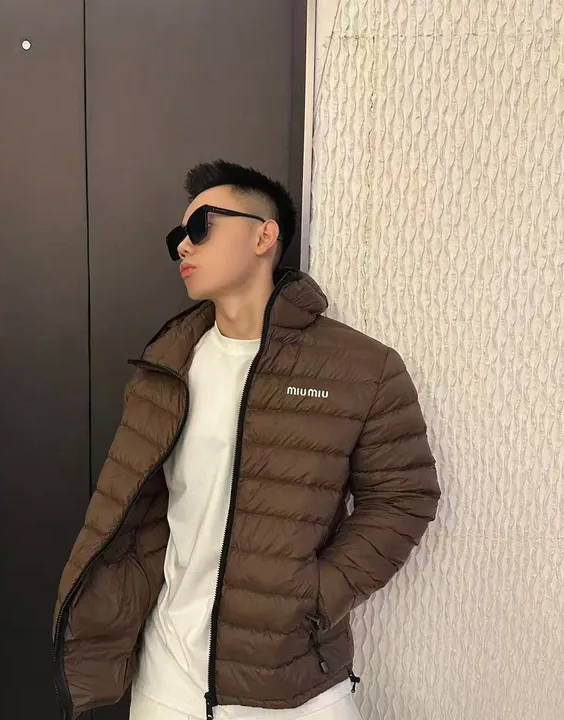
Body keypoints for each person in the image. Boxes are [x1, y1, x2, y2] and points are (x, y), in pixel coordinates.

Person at [52, 160, 440, 720]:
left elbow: (405, 497)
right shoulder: (165, 368)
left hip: (293, 683)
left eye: (201, 225)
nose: (183, 245)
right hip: (168, 678)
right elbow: (139, 514)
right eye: (177, 236)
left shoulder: (362, 368)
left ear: (264, 236)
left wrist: (315, 596)